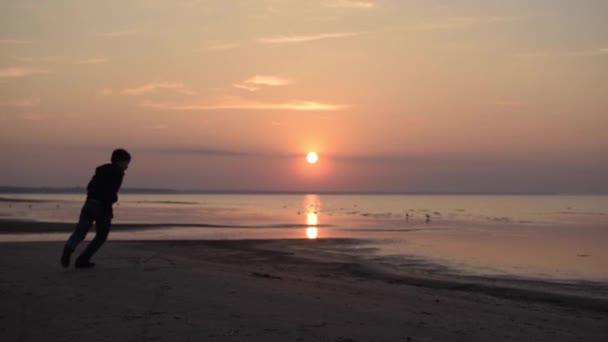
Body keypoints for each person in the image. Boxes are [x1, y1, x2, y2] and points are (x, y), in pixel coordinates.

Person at [61, 149, 131, 268]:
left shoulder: (101, 170)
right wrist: (112, 199)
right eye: (126, 163)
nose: (127, 166)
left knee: (80, 231)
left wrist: (94, 197)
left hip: (90, 202)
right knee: (101, 235)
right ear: (120, 161)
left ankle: (69, 248)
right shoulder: (117, 172)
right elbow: (111, 190)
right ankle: (83, 260)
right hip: (102, 206)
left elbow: (90, 186)